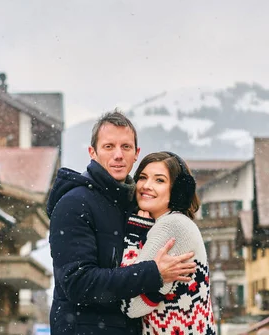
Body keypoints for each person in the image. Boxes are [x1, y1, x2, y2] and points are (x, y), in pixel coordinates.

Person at [47, 111, 197, 335]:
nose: (118, 155)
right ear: (92, 153)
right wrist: (153, 273)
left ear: (136, 153)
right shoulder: (74, 204)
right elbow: (78, 283)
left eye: (126, 147)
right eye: (109, 147)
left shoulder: (136, 206)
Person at [119, 151, 216, 334]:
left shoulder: (170, 225)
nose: (147, 186)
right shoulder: (179, 223)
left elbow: (130, 305)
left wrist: (134, 235)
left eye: (159, 180)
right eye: (143, 177)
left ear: (178, 190)